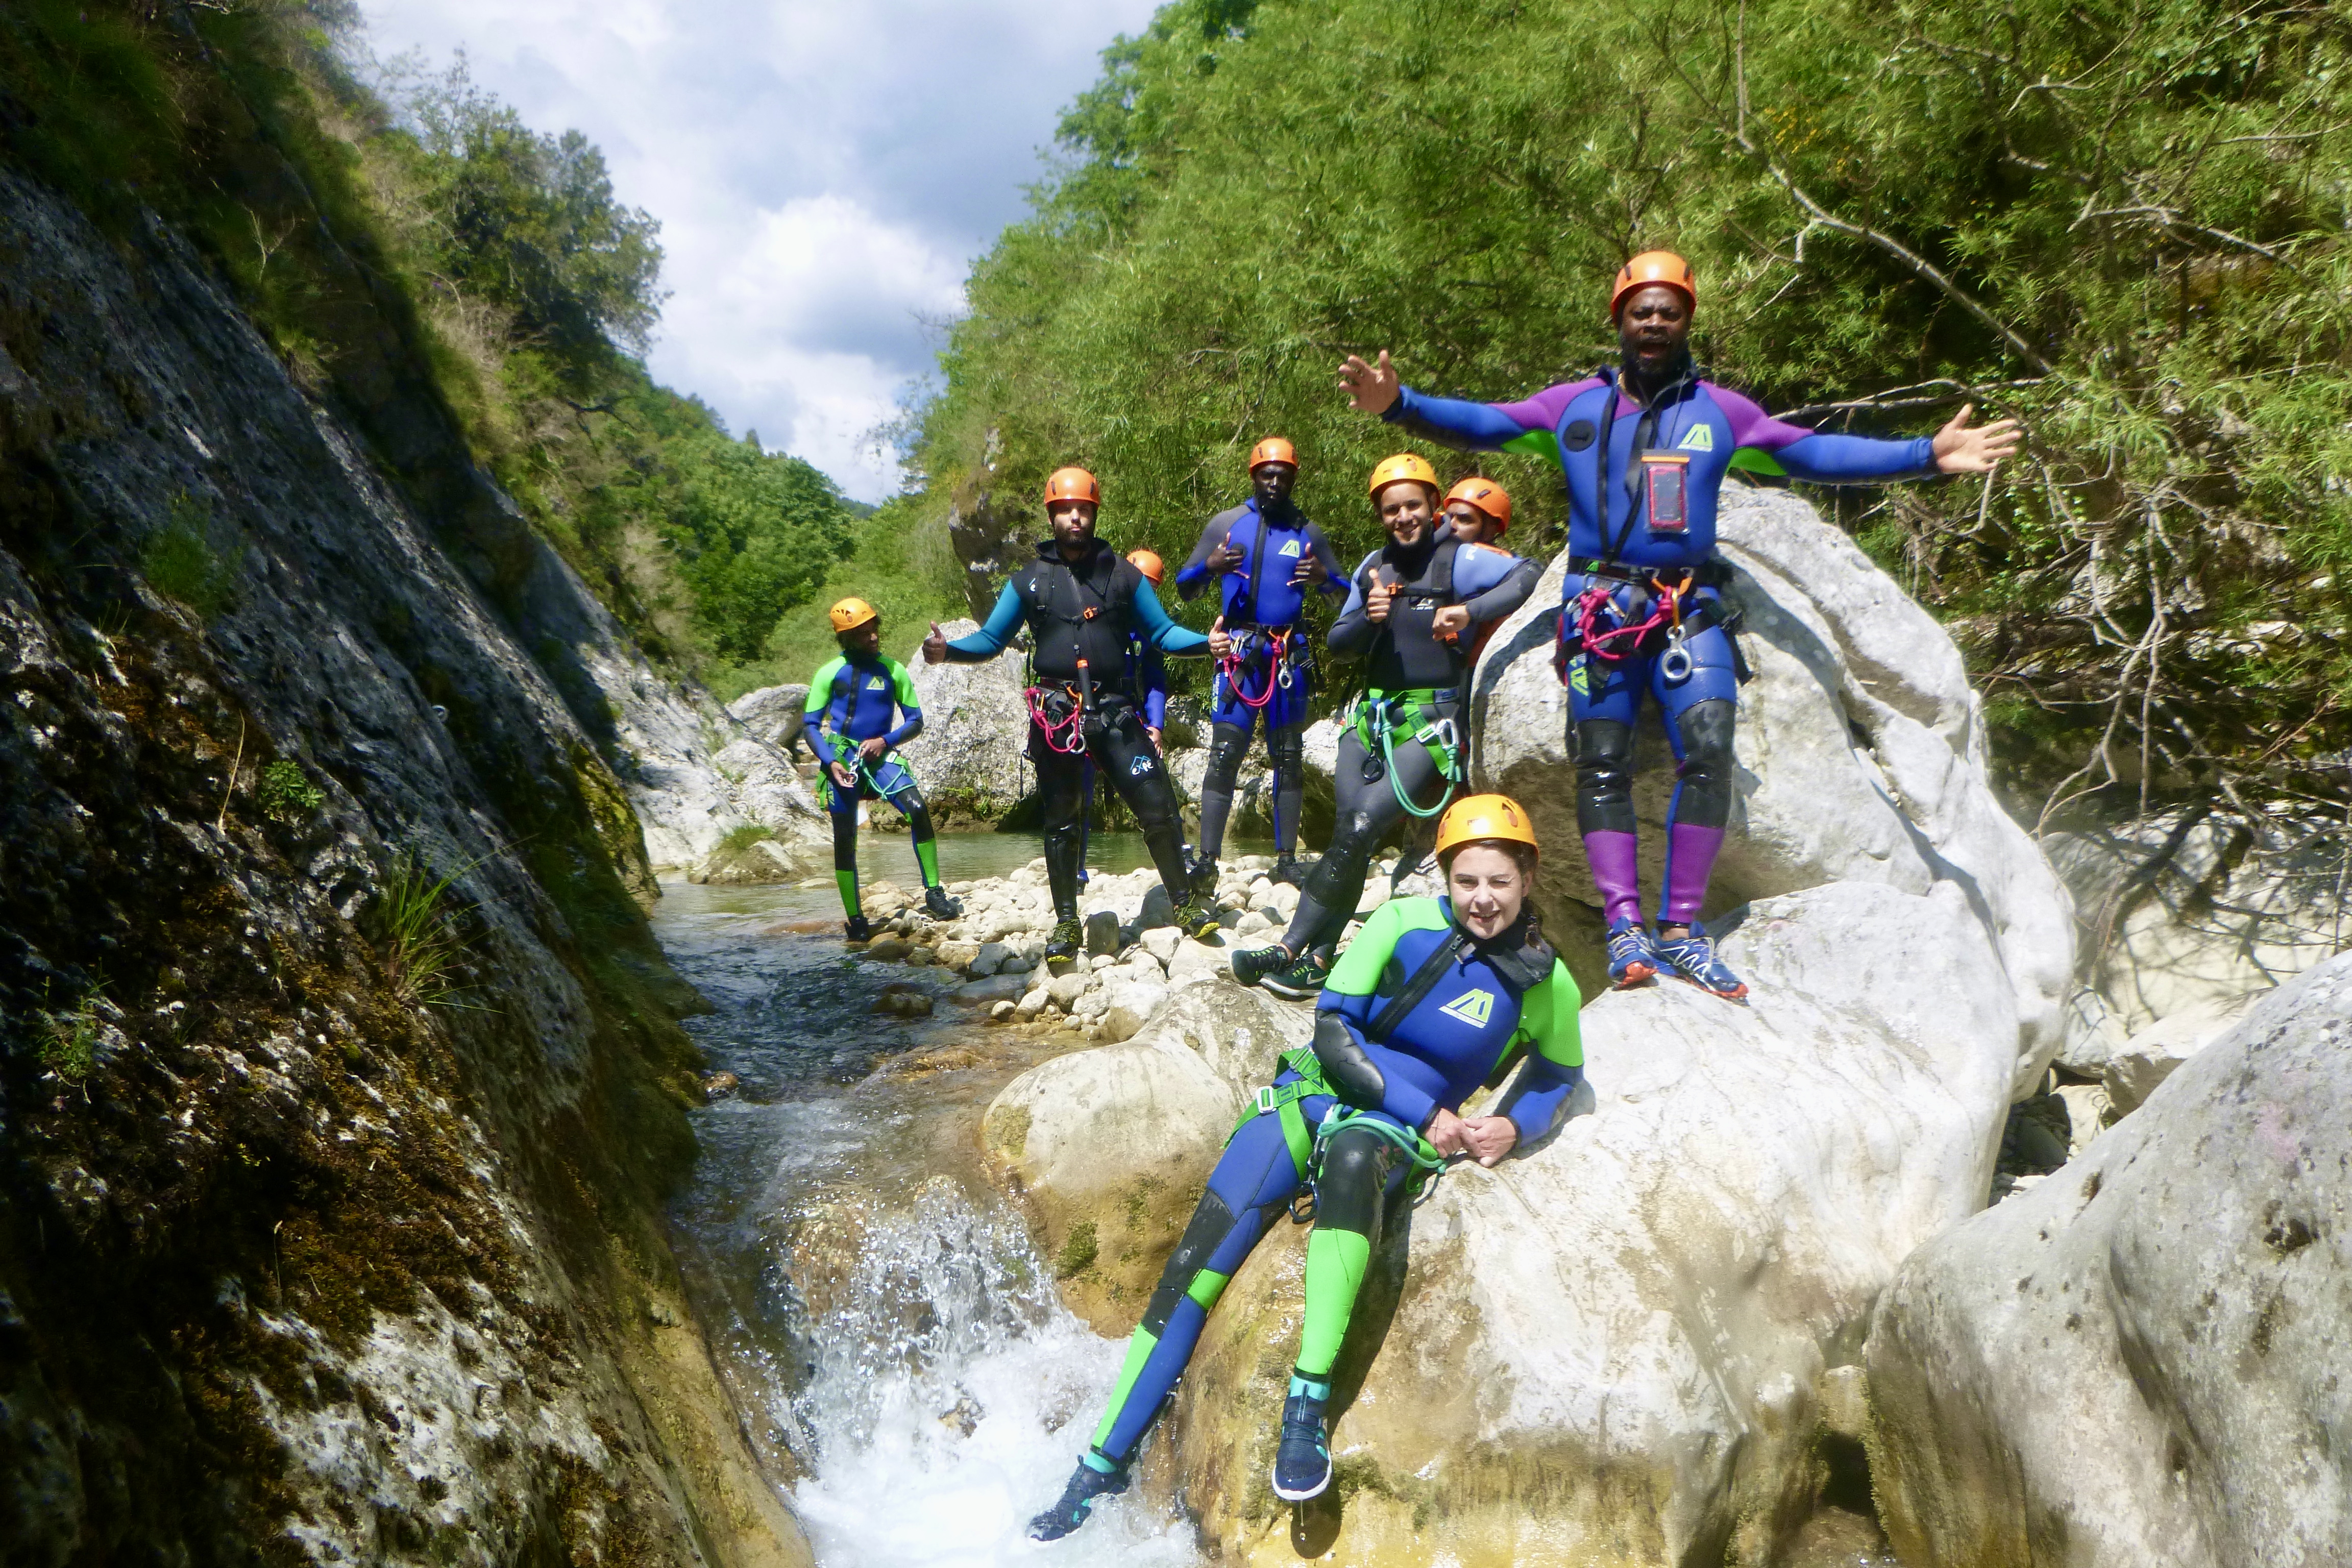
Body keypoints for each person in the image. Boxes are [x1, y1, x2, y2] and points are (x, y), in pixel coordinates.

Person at [1340, 251, 2019, 997]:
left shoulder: (1721, 415)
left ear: (1687, 320)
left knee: (1708, 753)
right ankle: (1626, 927)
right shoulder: (1572, 410)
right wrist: (1400, 405)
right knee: (1601, 764)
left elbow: (1810, 452)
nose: (1655, 322)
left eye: (1670, 311)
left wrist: (1927, 455)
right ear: (1620, 321)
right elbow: (1483, 424)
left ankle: (1683, 930)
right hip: (1602, 611)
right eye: (1642, 311)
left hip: (1687, 608)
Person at [1026, 794, 1583, 1540]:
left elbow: (1557, 1073)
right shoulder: (1400, 924)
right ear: (1446, 878)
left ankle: (1307, 1403)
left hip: (1384, 1135)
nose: (1483, 899)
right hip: (1309, 1102)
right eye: (1467, 881)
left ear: (1529, 878)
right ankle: (1100, 1465)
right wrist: (1430, 1111)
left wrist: (1514, 1125)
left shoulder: (1546, 983)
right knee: (1191, 1273)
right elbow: (1332, 1030)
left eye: (1500, 883)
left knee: (1354, 1157)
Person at [1230, 455, 1540, 999]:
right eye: (1391, 509)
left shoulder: (1459, 561)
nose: (1403, 517)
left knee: (1358, 830)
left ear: (1433, 506)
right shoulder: (1375, 566)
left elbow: (1529, 574)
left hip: (1428, 721)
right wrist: (1367, 619)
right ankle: (1320, 958)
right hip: (1369, 718)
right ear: (1381, 514)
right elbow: (1339, 647)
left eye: (1413, 506)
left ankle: (1289, 949)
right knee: (1350, 833)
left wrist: (1470, 612)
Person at [922, 467, 1222, 958]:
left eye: (1083, 509)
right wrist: (947, 651)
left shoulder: (1124, 575)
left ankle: (1185, 903)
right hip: (1059, 715)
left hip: (1116, 711)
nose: (1075, 517)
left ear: (1094, 513)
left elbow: (1163, 633)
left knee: (1157, 806)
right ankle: (1066, 924)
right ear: (1052, 516)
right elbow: (992, 640)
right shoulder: (1029, 582)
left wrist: (1207, 645)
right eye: (1066, 510)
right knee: (1062, 820)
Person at [1175, 438, 1349, 888]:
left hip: (1286, 654)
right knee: (1224, 753)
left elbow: (1345, 599)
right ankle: (1208, 860)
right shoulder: (1227, 523)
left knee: (1289, 757)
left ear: (1293, 479)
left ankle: (1287, 859)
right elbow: (1184, 585)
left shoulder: (1308, 533)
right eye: (1266, 474)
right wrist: (1209, 567)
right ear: (1253, 475)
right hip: (1238, 655)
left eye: (1283, 475)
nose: (1274, 482)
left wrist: (1326, 578)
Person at [804, 598, 962, 939]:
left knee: (918, 809)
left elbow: (916, 722)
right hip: (842, 758)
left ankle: (935, 894)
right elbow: (811, 725)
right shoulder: (829, 673)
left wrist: (885, 742)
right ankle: (856, 919)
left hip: (881, 755)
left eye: (874, 628)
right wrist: (830, 762)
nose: (873, 637)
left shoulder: (893, 670)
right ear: (846, 638)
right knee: (845, 837)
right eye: (863, 633)